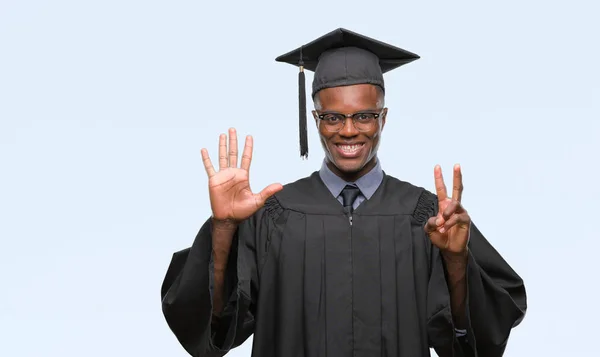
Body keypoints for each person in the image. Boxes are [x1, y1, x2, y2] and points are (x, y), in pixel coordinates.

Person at [160, 28, 527, 357]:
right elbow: (215, 330)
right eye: (333, 117)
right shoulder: (274, 215)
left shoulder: (427, 217)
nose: (348, 131)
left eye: (364, 116)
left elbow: (475, 341)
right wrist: (223, 229)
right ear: (316, 118)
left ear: (383, 118)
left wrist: (457, 264)